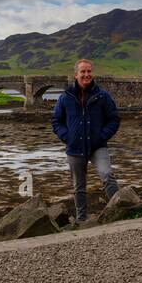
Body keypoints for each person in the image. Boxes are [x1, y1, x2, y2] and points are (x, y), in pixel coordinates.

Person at [51, 59, 120, 223]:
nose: (86, 75)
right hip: (75, 148)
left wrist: (102, 136)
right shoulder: (65, 98)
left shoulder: (102, 95)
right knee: (79, 186)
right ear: (76, 75)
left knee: (107, 174)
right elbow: (56, 121)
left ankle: (119, 208)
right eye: (83, 72)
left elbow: (114, 119)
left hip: (98, 146)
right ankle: (81, 219)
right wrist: (67, 137)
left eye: (89, 71)